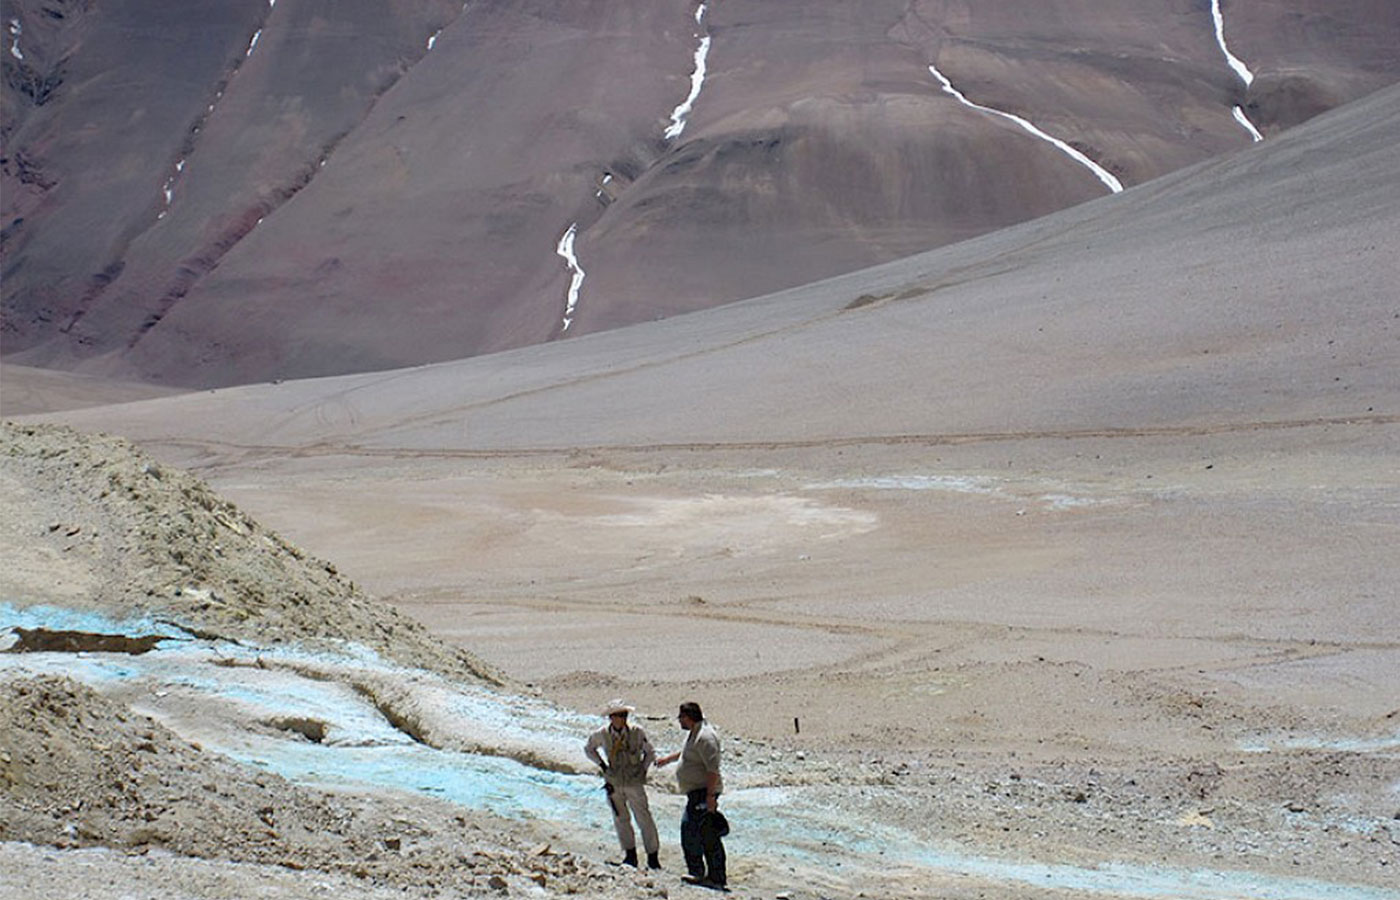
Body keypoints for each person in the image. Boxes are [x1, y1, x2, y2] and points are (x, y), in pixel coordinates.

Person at [656, 700, 727, 890]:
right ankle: (706, 874)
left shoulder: (706, 737)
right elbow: (689, 753)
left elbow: (713, 770)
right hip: (697, 792)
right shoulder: (696, 734)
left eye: (681, 718)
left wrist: (710, 797)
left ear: (688, 717)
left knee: (698, 832)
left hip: (703, 793)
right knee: (698, 833)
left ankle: (710, 875)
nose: (679, 721)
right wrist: (668, 759)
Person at [584, 699, 661, 869]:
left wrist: (643, 769)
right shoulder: (602, 734)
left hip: (634, 782)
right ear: (612, 717)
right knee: (621, 819)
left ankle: (653, 856)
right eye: (619, 715)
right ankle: (630, 854)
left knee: (644, 818)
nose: (623, 718)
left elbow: (650, 752)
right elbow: (589, 749)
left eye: (624, 715)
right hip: (614, 782)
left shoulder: (637, 732)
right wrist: (603, 766)